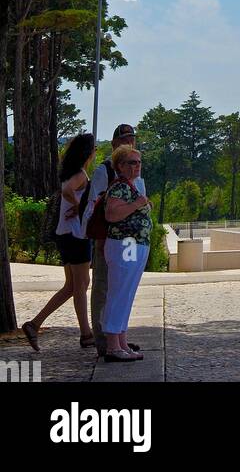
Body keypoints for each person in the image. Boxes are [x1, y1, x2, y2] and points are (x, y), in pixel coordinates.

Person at [21, 132, 96, 352]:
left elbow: (65, 189)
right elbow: (66, 191)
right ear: (88, 152)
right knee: (81, 284)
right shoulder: (81, 174)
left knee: (72, 286)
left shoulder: (70, 172)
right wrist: (77, 206)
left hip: (64, 234)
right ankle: (86, 333)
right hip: (76, 235)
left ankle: (34, 324)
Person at [84, 123, 145, 357]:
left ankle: (119, 338)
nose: (129, 143)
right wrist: (99, 238)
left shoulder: (135, 175)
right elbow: (95, 206)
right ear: (114, 145)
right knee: (105, 288)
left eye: (132, 139)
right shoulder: (105, 171)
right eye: (124, 139)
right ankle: (104, 340)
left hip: (132, 242)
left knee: (123, 288)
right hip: (112, 240)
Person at [102, 144, 151, 361]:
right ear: (120, 166)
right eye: (132, 162)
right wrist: (138, 204)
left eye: (139, 162)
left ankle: (121, 341)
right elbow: (112, 214)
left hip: (135, 245)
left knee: (126, 294)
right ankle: (113, 346)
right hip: (125, 245)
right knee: (119, 293)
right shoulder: (119, 187)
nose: (137, 166)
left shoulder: (131, 186)